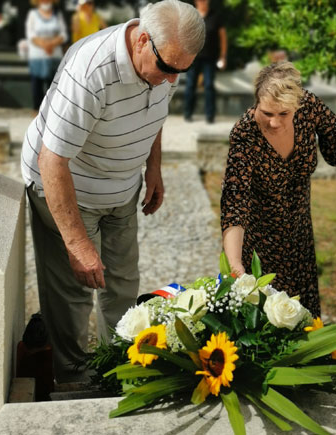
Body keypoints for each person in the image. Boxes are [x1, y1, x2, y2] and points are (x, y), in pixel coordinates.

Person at [21, 0, 205, 383]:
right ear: (141, 41)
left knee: (122, 283)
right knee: (73, 293)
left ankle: (117, 367)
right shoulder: (90, 70)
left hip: (121, 188)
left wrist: (153, 168)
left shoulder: (164, 61)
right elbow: (51, 161)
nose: (172, 80)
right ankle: (72, 378)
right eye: (168, 69)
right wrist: (77, 243)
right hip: (69, 186)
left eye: (181, 71)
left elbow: (154, 113)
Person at [221, 61, 336, 318]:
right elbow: (234, 201)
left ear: (297, 105)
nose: (274, 122)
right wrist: (236, 264)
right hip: (257, 247)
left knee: (303, 325)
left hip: (298, 240)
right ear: (257, 102)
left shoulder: (309, 107)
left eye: (284, 114)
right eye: (267, 113)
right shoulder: (244, 133)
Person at [183, 0, 227, 123]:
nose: (202, 1)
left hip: (210, 58)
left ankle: (210, 116)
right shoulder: (191, 16)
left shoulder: (215, 16)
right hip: (193, 57)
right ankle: (188, 114)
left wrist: (223, 56)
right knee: (190, 85)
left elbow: (223, 38)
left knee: (208, 85)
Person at [26, 0, 67, 111]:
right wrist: (45, 45)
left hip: (54, 57)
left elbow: (63, 34)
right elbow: (31, 35)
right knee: (37, 88)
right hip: (37, 57)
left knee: (53, 88)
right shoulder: (32, 15)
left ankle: (51, 113)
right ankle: (37, 114)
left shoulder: (57, 15)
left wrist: (52, 44)